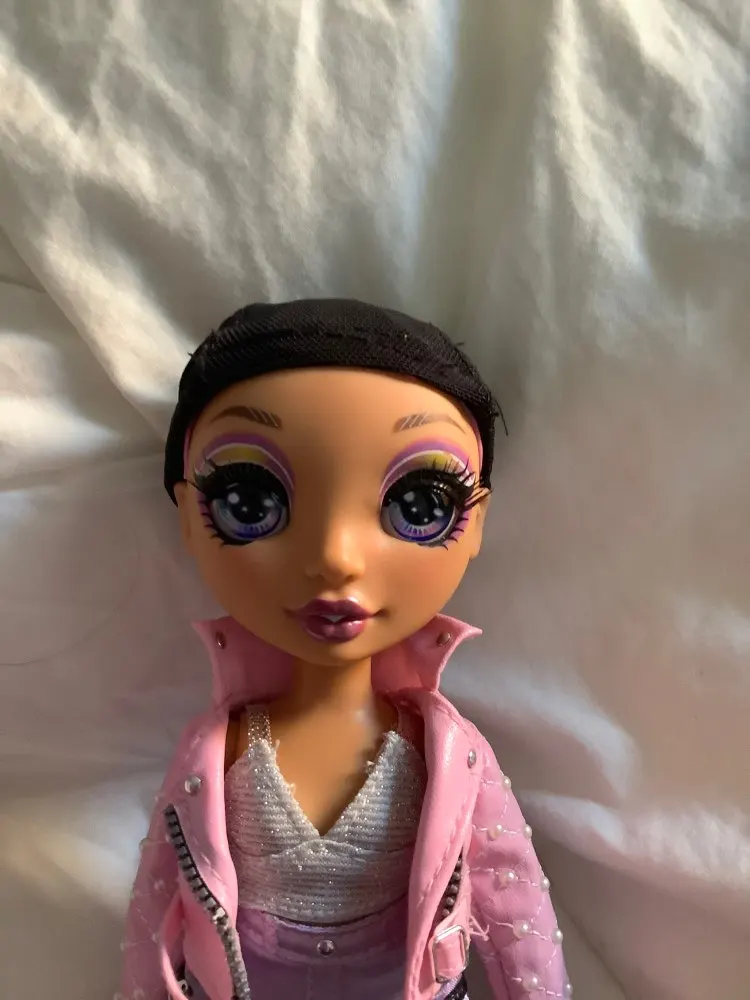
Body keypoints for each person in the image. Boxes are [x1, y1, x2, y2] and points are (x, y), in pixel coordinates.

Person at [119, 299, 570, 1000]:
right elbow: (156, 908)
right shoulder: (215, 750)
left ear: (476, 521)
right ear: (187, 513)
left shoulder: (452, 753)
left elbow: (517, 911)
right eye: (249, 501)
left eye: (419, 506)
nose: (335, 557)